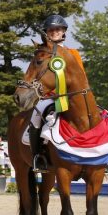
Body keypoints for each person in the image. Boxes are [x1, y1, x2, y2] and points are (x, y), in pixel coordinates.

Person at [28, 14, 85, 172]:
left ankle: (102, 157)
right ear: (47, 32)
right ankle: (38, 156)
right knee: (36, 116)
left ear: (63, 31)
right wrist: (49, 92)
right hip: (50, 97)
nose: (54, 32)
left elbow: (81, 77)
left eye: (57, 29)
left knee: (99, 115)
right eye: (51, 29)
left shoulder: (73, 53)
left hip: (73, 97)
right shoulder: (43, 52)